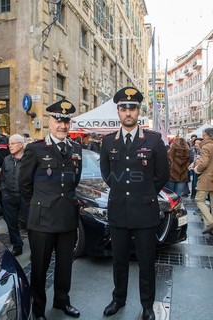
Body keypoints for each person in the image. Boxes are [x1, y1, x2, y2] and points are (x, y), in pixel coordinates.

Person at [100, 87, 169, 320]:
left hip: (145, 212)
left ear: (139, 111)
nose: (127, 112)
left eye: (132, 108)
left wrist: (146, 193)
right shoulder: (108, 142)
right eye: (123, 108)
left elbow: (162, 174)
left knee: (146, 263)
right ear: (118, 111)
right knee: (119, 261)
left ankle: (147, 305)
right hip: (118, 211)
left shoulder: (153, 139)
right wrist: (122, 191)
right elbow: (107, 174)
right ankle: (118, 299)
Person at [19, 99, 82, 320]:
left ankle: (62, 301)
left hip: (67, 218)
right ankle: (38, 309)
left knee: (65, 266)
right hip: (42, 220)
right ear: (49, 121)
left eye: (66, 122)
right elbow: (24, 184)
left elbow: (75, 180)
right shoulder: (35, 149)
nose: (62, 126)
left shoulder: (76, 149)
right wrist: (37, 204)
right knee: (40, 268)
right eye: (58, 121)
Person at [0, 134, 28, 256]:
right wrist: (4, 191)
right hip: (9, 196)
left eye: (13, 143)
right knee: (11, 223)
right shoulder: (7, 159)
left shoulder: (28, 160)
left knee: (30, 223)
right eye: (9, 143)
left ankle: (36, 248)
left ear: (21, 145)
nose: (10, 146)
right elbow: (3, 177)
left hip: (24, 197)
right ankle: (17, 246)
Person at [194, 127, 213, 234]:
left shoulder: (206, 146)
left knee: (199, 200)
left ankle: (210, 222)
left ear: (207, 135)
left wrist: (197, 169)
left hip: (207, 177)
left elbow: (204, 163)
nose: (202, 137)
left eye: (203, 135)